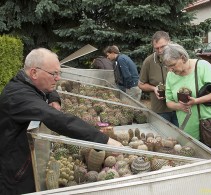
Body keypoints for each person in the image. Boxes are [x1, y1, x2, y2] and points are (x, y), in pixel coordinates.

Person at [0, 48, 122, 194]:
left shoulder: (28, 84)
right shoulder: (18, 96)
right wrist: (103, 140)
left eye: (59, 73)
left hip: (23, 166)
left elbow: (47, 88)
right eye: (54, 74)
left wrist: (54, 99)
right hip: (15, 177)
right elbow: (58, 119)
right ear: (34, 73)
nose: (58, 78)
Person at [162, 43, 211, 152]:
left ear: (182, 57)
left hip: (208, 128)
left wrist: (196, 101)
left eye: (173, 65)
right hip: (187, 129)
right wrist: (179, 106)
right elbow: (169, 101)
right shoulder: (171, 75)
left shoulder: (202, 66)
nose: (170, 69)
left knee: (210, 162)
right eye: (168, 67)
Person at [138, 31, 178, 127]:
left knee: (182, 138)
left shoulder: (179, 58)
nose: (160, 50)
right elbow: (141, 84)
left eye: (163, 46)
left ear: (169, 42)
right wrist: (154, 88)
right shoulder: (148, 61)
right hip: (160, 110)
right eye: (156, 48)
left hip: (179, 108)